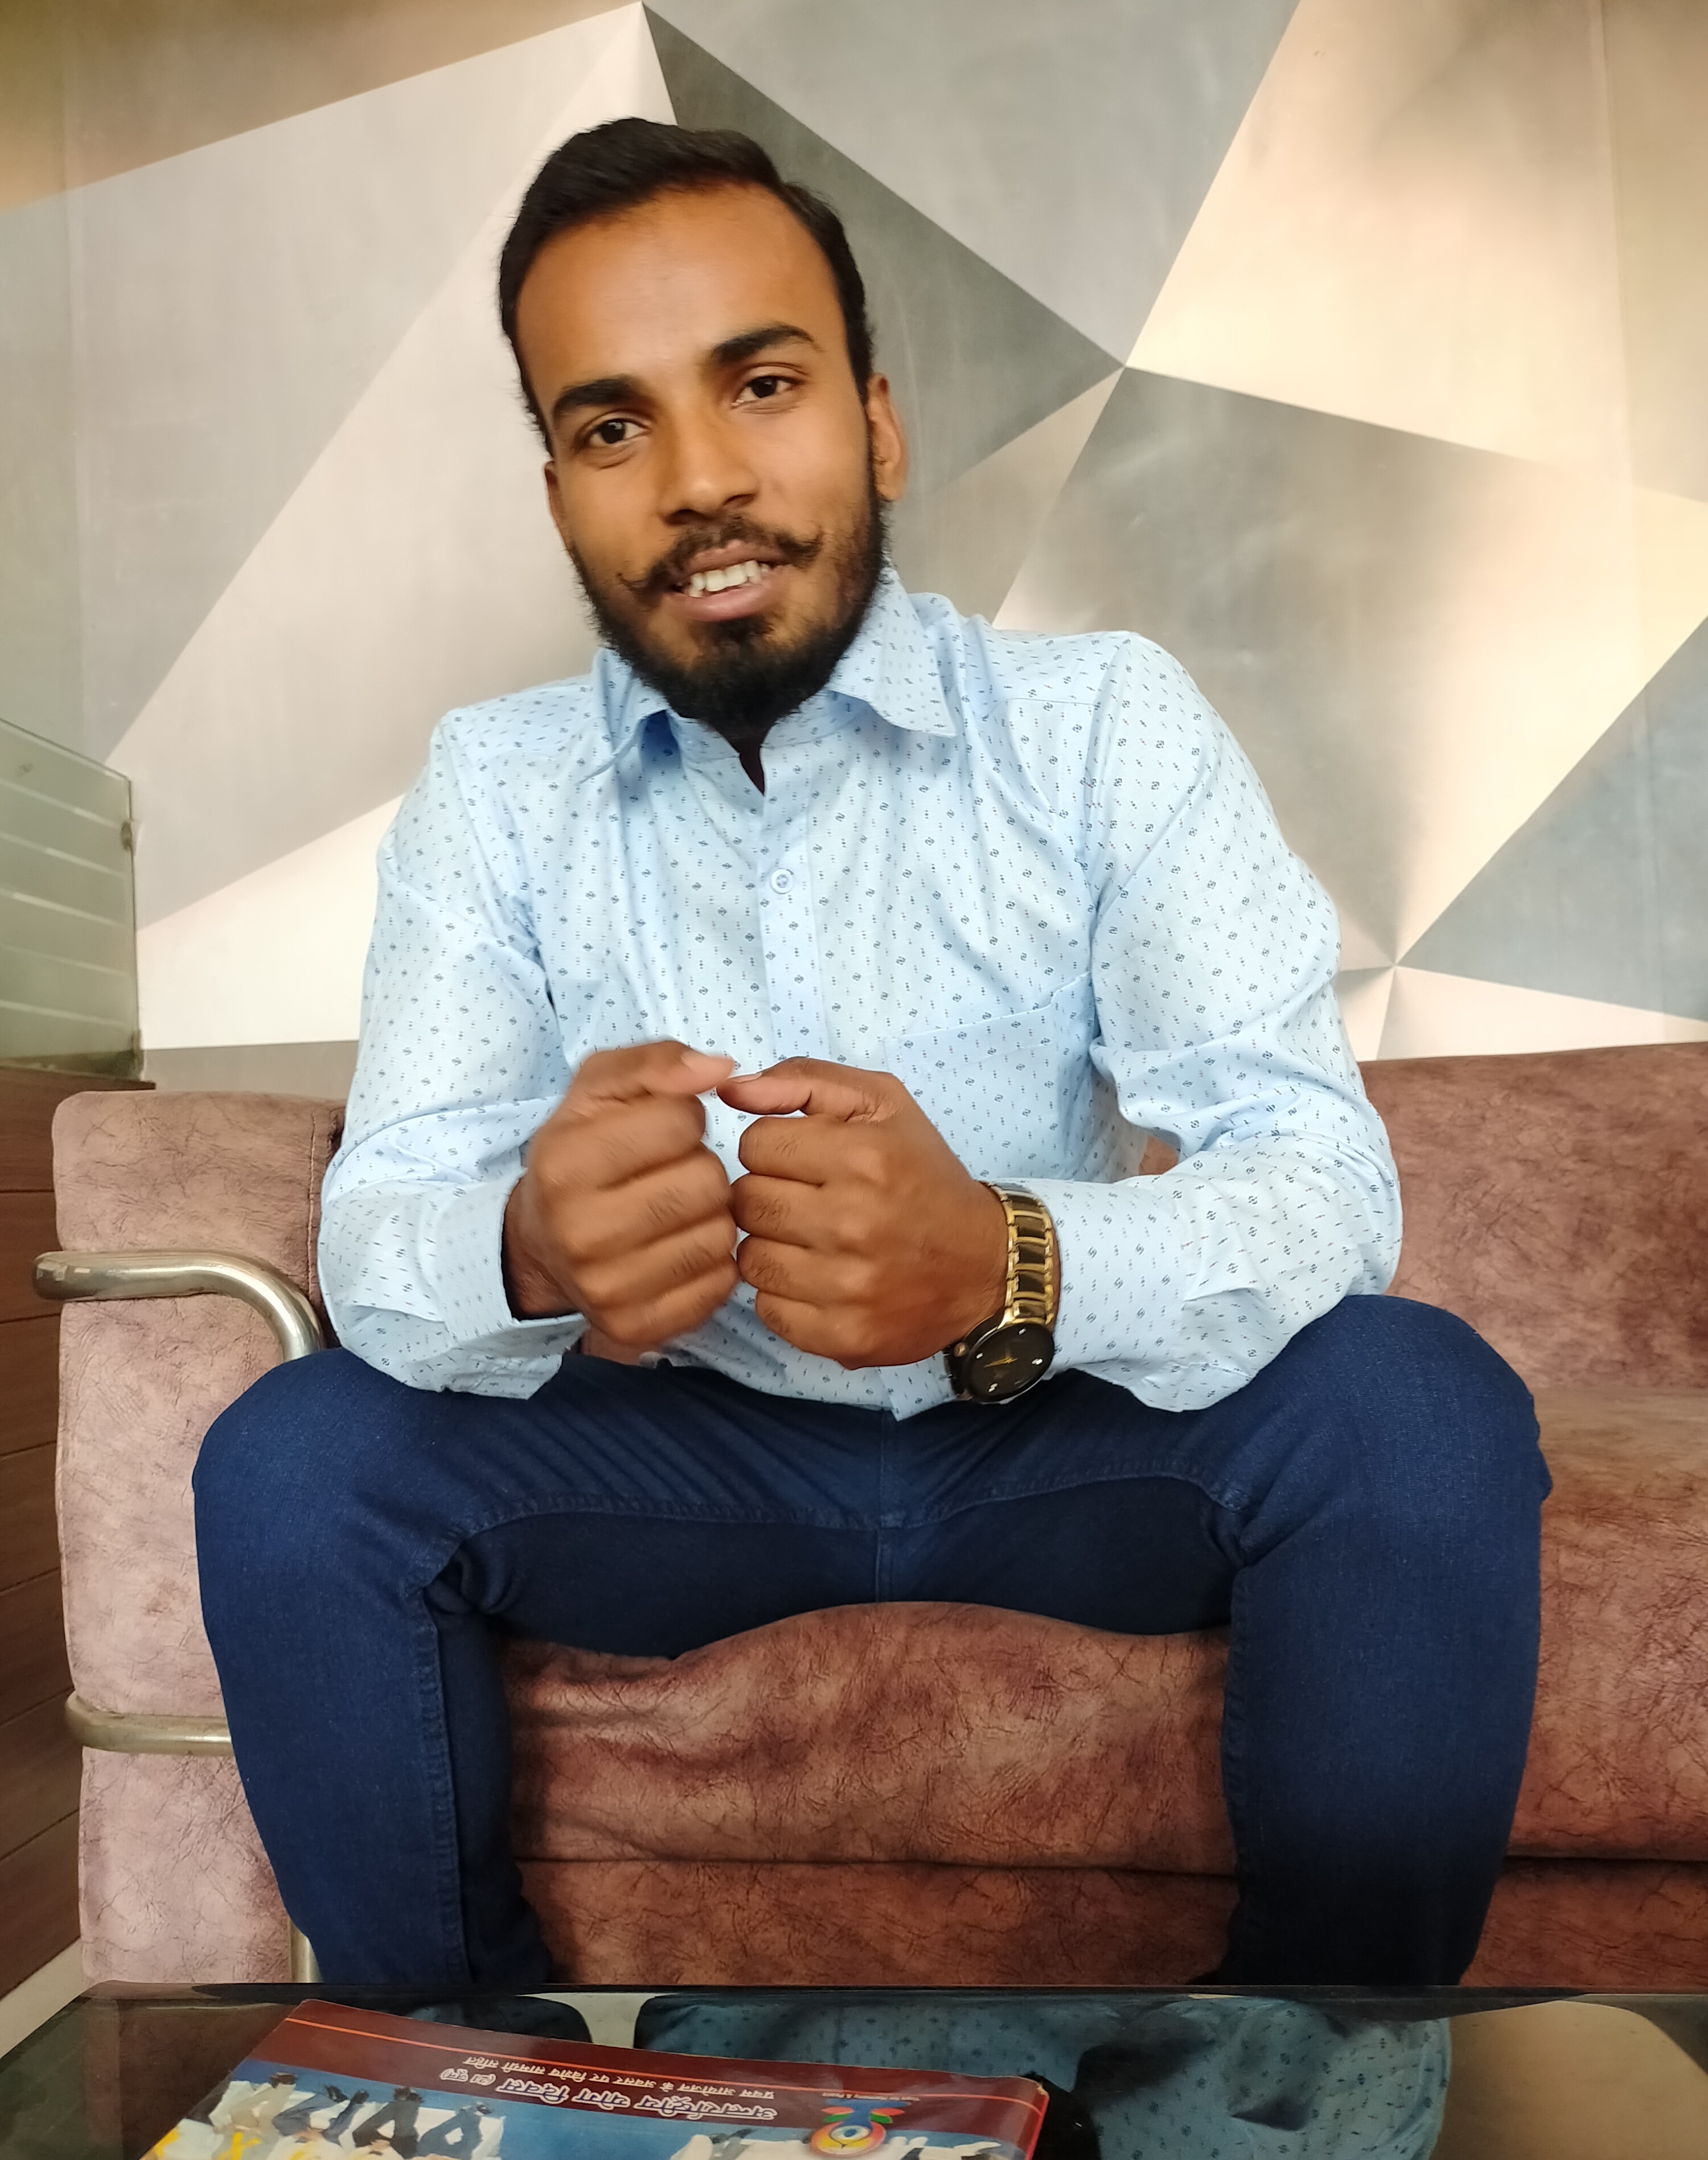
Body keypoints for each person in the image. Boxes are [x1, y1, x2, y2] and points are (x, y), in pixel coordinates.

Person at [193, 118, 1547, 1987]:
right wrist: (528, 1246)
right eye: (614, 427)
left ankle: (1282, 2118)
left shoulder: (1103, 726)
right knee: (294, 1464)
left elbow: (1318, 1177)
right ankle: (463, 2095)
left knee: (1418, 1406)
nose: (700, 481)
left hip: (1056, 1444)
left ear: (878, 424)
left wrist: (1008, 1260)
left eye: (761, 385)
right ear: (560, 491)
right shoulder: (492, 792)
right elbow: (384, 1225)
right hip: (670, 1468)